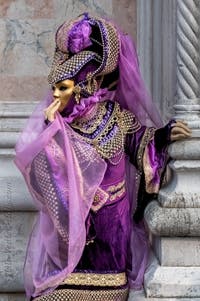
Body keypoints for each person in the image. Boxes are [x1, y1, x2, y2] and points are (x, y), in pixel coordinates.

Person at [15, 13, 191, 301]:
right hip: (70, 240)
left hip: (110, 238)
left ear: (89, 85)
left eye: (63, 88)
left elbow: (141, 145)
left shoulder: (118, 119)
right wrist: (49, 130)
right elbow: (42, 176)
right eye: (54, 88)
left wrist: (164, 136)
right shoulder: (60, 127)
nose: (55, 96)